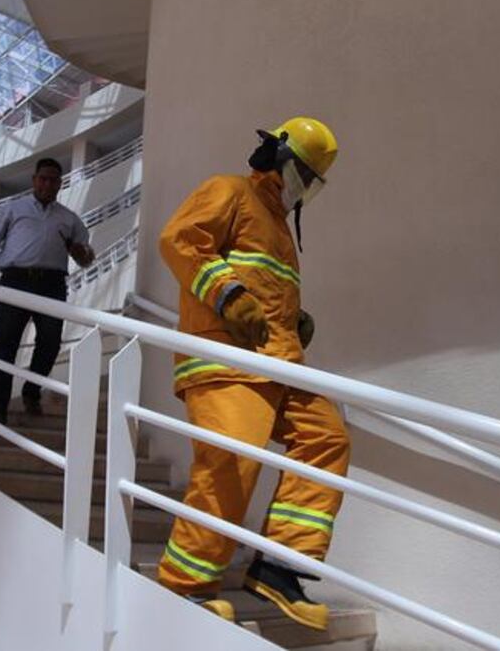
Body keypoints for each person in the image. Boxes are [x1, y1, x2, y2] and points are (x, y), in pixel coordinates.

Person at [157, 117, 349, 630]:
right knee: (231, 461)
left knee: (327, 440)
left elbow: (265, 284)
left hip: (278, 363)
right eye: (302, 175)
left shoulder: (281, 230)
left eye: (313, 182)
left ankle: (281, 566)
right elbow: (180, 240)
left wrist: (292, 318)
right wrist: (229, 296)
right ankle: (184, 585)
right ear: (278, 159)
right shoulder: (229, 191)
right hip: (226, 362)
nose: (303, 189)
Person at [0, 158, 95, 424]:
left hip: (52, 284)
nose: (47, 183)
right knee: (5, 344)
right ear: (34, 180)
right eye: (43, 178)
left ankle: (31, 392)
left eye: (53, 179)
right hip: (15, 281)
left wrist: (79, 252)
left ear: (60, 184)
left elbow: (86, 258)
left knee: (50, 343)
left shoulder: (69, 219)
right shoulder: (14, 209)